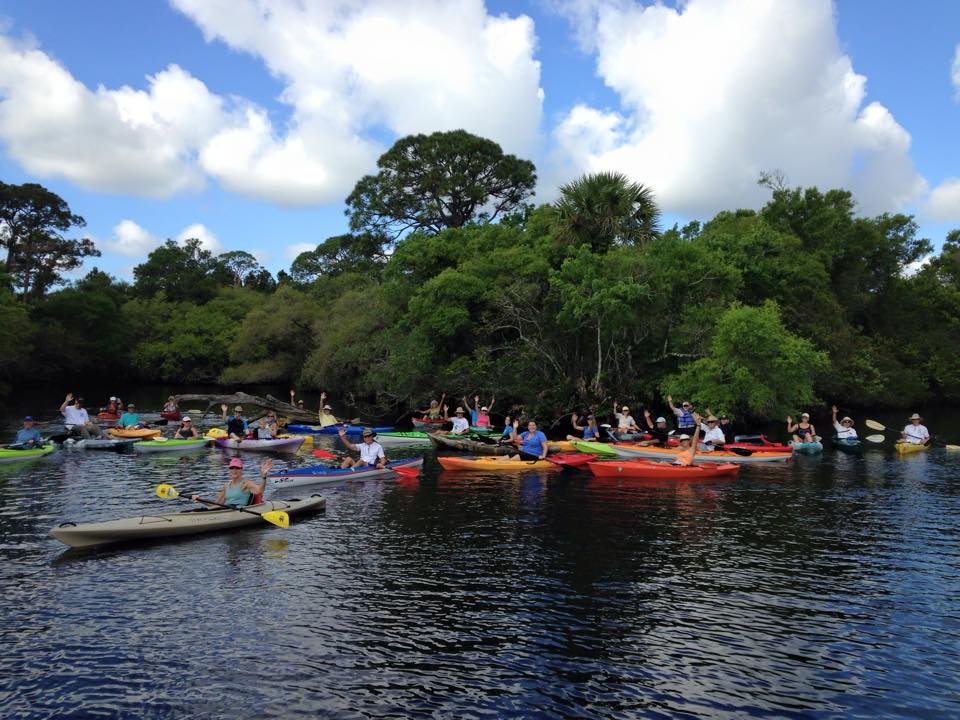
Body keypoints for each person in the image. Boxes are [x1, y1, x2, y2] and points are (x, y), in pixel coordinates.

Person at [192, 457, 271, 508]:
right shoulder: (226, 486)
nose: (234, 470)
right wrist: (200, 500)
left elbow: (260, 490)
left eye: (237, 468)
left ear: (241, 470)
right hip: (226, 509)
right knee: (201, 509)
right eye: (232, 468)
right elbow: (215, 504)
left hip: (238, 510)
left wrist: (263, 476)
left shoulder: (246, 484)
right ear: (229, 470)